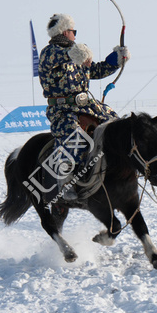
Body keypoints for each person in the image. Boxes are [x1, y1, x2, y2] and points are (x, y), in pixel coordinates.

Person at [39, 13, 129, 200]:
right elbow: (62, 56)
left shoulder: (77, 53)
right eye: (74, 31)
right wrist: (78, 53)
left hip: (87, 106)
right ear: (65, 32)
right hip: (62, 110)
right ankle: (65, 181)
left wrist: (116, 58)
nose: (75, 35)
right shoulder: (50, 53)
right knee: (74, 138)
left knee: (118, 126)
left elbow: (95, 70)